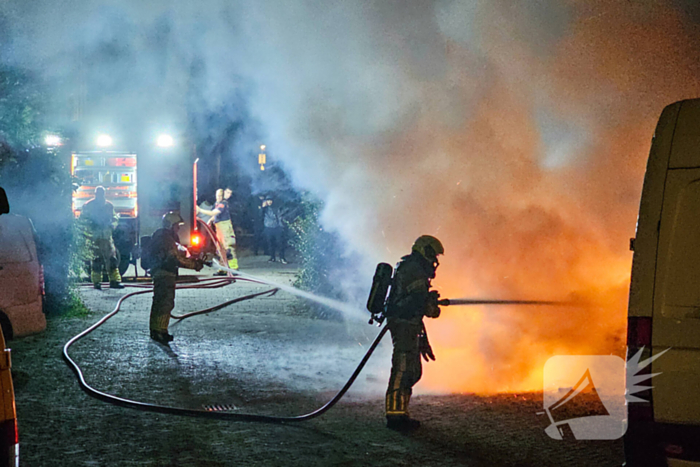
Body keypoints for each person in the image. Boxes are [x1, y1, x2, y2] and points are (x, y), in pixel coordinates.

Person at [384, 235, 444, 431]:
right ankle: (394, 416)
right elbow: (419, 303)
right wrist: (430, 302)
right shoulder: (413, 269)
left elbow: (420, 306)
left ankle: (401, 412)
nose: (435, 259)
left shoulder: (415, 268)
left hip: (410, 324)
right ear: (424, 250)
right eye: (433, 254)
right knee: (402, 369)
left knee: (413, 371)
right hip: (402, 324)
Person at [148, 211, 203, 343]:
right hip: (164, 273)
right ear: (170, 225)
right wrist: (194, 265)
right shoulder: (165, 238)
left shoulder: (164, 236)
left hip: (163, 271)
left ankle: (159, 330)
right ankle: (159, 331)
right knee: (165, 302)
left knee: (161, 302)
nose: (178, 228)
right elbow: (173, 258)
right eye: (177, 226)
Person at [81, 186, 123, 289]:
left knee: (112, 259)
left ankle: (114, 281)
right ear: (95, 194)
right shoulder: (88, 206)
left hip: (106, 237)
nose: (100, 196)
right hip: (94, 237)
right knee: (96, 261)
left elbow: (114, 217)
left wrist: (112, 225)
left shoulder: (109, 206)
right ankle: (96, 282)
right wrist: (89, 228)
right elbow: (82, 219)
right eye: (98, 194)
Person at [197, 187, 238, 273]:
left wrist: (200, 210)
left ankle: (234, 268)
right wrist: (210, 221)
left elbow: (214, 212)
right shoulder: (217, 203)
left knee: (228, 247)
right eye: (217, 195)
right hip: (218, 227)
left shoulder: (223, 203)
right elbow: (214, 215)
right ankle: (223, 269)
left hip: (225, 227)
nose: (218, 197)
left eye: (220, 196)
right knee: (220, 249)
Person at [261, 197, 287, 264]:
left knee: (280, 243)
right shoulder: (264, 208)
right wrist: (262, 207)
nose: (269, 202)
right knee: (270, 243)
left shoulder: (276, 207)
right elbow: (259, 215)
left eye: (270, 200)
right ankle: (272, 257)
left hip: (277, 227)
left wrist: (281, 226)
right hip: (268, 227)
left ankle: (282, 257)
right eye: (267, 201)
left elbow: (280, 216)